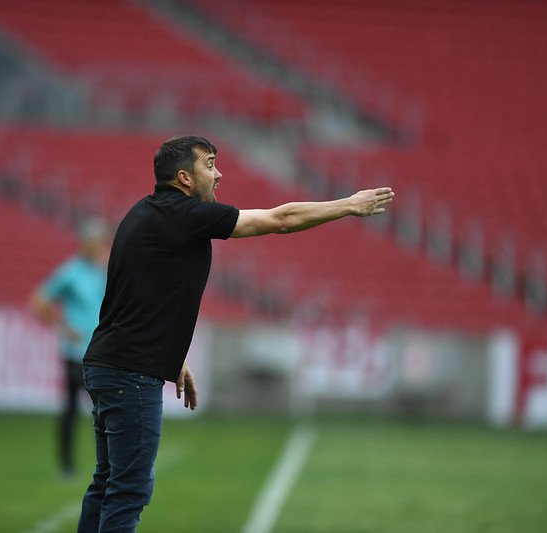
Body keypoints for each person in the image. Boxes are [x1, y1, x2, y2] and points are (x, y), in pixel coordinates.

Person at [77, 136, 394, 532]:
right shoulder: (184, 215)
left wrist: (173, 360)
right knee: (129, 490)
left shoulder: (143, 212)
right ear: (184, 178)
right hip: (128, 373)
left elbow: (136, 299)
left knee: (108, 483)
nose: (218, 172)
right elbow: (279, 220)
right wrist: (348, 205)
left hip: (108, 363)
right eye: (209, 164)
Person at [30, 217, 110, 478]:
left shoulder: (105, 271)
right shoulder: (71, 272)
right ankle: (66, 464)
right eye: (93, 241)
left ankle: (110, 463)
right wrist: (63, 327)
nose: (97, 246)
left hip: (102, 352)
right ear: (83, 244)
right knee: (72, 410)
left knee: (108, 410)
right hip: (76, 353)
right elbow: (39, 300)